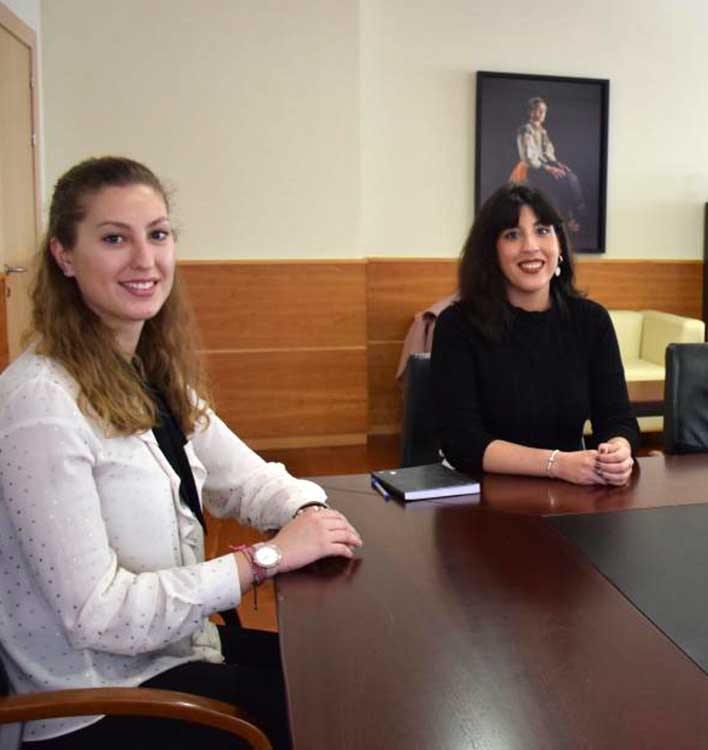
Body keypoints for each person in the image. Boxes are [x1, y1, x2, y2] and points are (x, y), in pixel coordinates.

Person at [0, 157, 363, 749]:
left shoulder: (145, 373)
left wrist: (306, 512)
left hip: (173, 654)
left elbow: (246, 479)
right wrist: (264, 561)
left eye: (158, 234)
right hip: (93, 703)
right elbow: (98, 613)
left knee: (349, 679)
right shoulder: (40, 404)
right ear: (65, 255)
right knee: (333, 723)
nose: (145, 260)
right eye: (115, 238)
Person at [431, 183, 638, 485]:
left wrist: (619, 450)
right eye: (512, 235)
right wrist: (556, 463)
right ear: (491, 252)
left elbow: (618, 418)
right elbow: (463, 442)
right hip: (480, 498)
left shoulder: (592, 321)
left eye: (542, 231)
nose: (531, 246)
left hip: (572, 492)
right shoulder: (457, 325)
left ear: (559, 245)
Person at [515, 96, 587, 234]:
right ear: (531, 112)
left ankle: (577, 212)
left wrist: (557, 164)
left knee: (571, 176)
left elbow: (548, 152)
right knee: (560, 181)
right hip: (531, 167)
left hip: (544, 164)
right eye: (539, 111)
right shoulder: (525, 130)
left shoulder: (542, 131)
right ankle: (568, 218)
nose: (542, 115)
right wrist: (548, 168)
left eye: (544, 111)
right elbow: (529, 157)